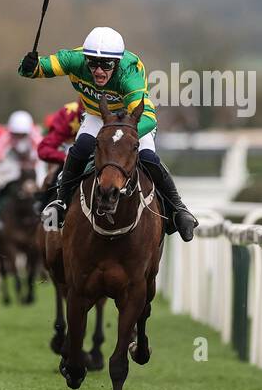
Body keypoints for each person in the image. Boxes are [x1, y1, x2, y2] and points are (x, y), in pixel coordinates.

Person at [17, 26, 197, 241]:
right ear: (85, 60)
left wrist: (121, 137)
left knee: (148, 157)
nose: (99, 71)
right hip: (97, 115)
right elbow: (36, 69)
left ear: (118, 63)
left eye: (106, 65)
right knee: (82, 146)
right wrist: (29, 66)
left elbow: (148, 118)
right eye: (93, 63)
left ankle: (178, 209)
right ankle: (61, 202)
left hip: (131, 120)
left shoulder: (129, 74)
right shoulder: (74, 60)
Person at [0, 109, 43, 229]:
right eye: (16, 134)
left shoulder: (35, 136)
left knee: (42, 183)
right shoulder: (6, 136)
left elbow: (42, 155)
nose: (19, 137)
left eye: (22, 134)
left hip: (32, 166)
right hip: (13, 166)